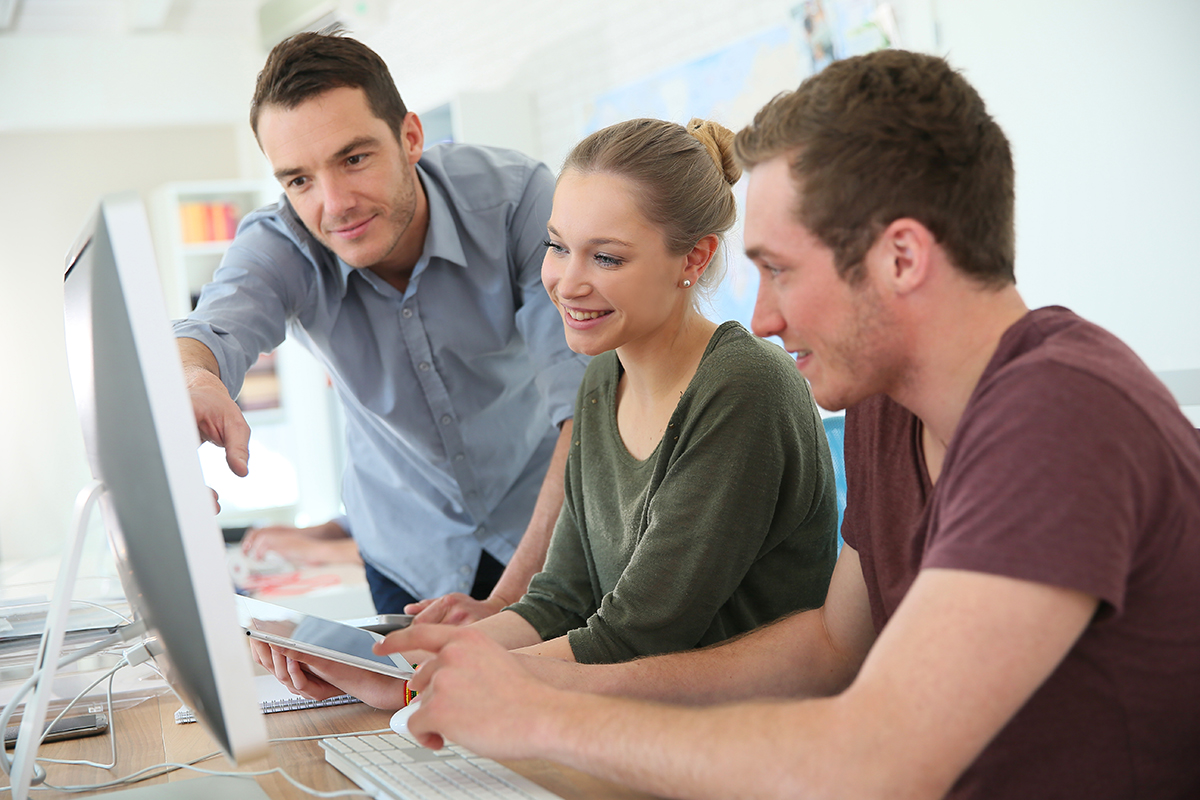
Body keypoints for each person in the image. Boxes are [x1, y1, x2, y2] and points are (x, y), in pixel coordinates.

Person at [339, 50, 1200, 799]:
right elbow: (830, 647)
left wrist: (540, 709)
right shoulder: (882, 403)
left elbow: (876, 761)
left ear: (902, 258)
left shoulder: (1060, 415)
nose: (764, 317)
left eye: (780, 271)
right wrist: (479, 676)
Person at [252, 117, 839, 688]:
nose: (567, 282)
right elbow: (559, 600)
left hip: (742, 741)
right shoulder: (603, 379)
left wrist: (425, 683)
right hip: (630, 726)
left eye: (606, 257)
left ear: (693, 258)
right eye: (557, 247)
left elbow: (638, 635)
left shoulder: (742, 388)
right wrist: (391, 661)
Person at [173, 30, 589, 615]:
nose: (334, 202)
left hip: (547, 526)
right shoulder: (283, 244)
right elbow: (210, 329)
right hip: (406, 554)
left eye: (354, 158)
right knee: (403, 707)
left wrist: (512, 606)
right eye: (299, 179)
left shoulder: (517, 201)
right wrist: (195, 382)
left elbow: (588, 406)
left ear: (410, 137)